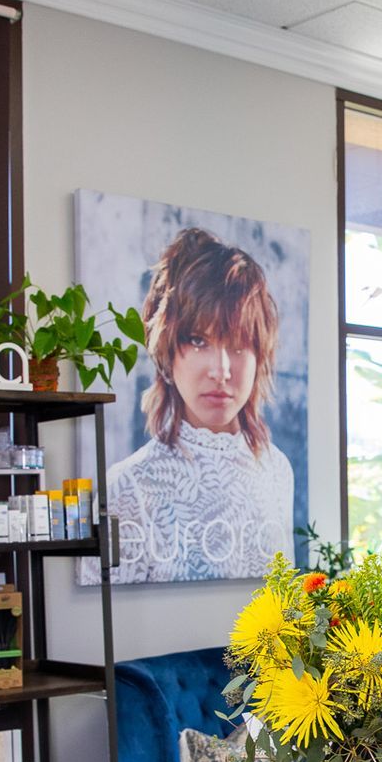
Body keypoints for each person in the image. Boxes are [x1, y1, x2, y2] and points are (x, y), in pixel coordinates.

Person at [98, 228, 293, 583]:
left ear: (259, 355)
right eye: (198, 340)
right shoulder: (128, 486)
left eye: (237, 344)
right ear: (167, 352)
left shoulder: (277, 470)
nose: (221, 370)